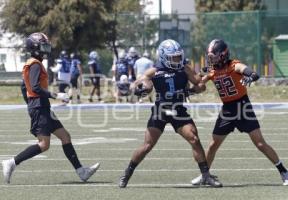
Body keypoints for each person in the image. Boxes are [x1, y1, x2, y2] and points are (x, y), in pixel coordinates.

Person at [118, 39, 222, 188]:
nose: (177, 60)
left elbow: (200, 85)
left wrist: (194, 89)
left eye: (179, 56)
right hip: (161, 110)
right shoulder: (154, 71)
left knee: (194, 138)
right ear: (164, 57)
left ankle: (206, 175)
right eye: (174, 57)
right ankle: (126, 174)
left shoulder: (184, 68)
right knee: (147, 145)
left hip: (178, 110)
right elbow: (142, 82)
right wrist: (143, 89)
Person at [2, 32, 100, 184]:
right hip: (40, 107)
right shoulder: (34, 64)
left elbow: (24, 88)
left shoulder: (33, 63)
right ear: (35, 48)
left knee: (65, 136)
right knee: (44, 144)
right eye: (43, 46)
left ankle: (82, 172)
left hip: (41, 107)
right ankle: (11, 162)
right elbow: (34, 88)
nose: (46, 49)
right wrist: (56, 95)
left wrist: (31, 105)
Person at [191, 39, 288, 186]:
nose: (211, 59)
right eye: (210, 56)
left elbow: (252, 73)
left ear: (223, 54)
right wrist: (191, 86)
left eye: (213, 55)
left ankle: (284, 171)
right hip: (227, 109)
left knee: (260, 143)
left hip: (243, 106)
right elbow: (198, 85)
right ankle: (205, 175)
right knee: (213, 145)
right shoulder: (212, 71)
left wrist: (250, 76)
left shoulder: (234, 65)